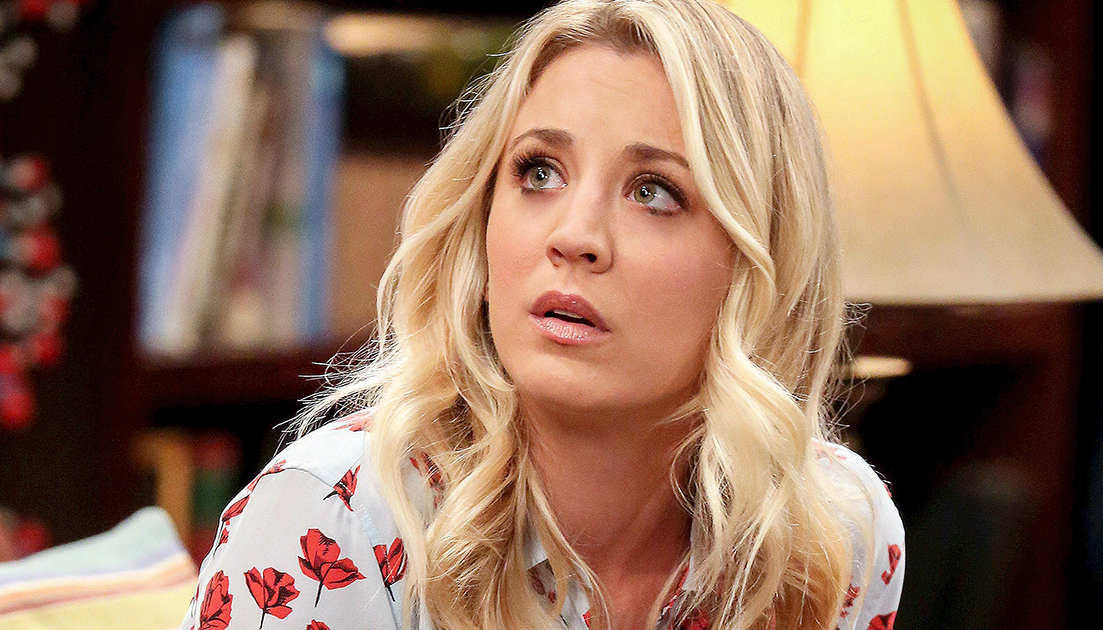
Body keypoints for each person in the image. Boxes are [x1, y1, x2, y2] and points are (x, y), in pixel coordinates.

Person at [178, 0, 904, 629]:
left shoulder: (834, 534)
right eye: (539, 172)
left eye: (653, 191)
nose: (574, 236)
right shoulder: (333, 520)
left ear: (757, 261)